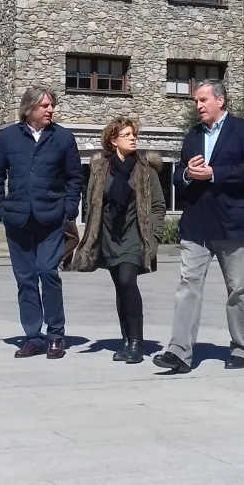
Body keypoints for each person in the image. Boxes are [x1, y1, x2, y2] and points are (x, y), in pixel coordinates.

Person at [152, 80, 244, 374]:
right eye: (195, 101)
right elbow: (178, 178)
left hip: (231, 223)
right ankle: (179, 352)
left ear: (220, 101)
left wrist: (215, 173)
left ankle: (242, 349)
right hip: (196, 225)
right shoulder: (192, 137)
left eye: (202, 100)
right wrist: (187, 174)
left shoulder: (243, 131)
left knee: (237, 289)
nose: (198, 106)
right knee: (188, 287)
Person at [0, 86, 83, 360]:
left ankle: (55, 335)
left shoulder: (63, 138)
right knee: (25, 279)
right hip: (17, 219)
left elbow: (75, 178)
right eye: (44, 106)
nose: (50, 110)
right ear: (29, 108)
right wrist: (0, 209)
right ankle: (33, 337)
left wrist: (68, 210)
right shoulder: (8, 137)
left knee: (47, 272)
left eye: (51, 105)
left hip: (51, 217)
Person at [68, 118, 166, 364]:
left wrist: (154, 237)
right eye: (126, 135)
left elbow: (158, 206)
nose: (132, 138)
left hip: (135, 235)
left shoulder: (146, 169)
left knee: (127, 281)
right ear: (113, 141)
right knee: (120, 288)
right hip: (109, 236)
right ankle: (126, 340)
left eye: (133, 134)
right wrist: (92, 234)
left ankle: (137, 343)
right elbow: (91, 203)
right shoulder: (100, 169)